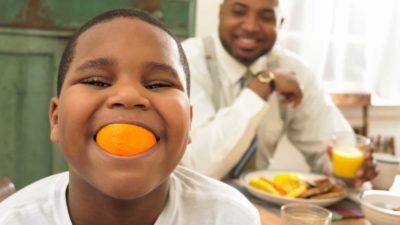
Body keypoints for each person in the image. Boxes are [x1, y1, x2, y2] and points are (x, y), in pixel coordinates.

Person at [0, 9, 261, 225]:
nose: (128, 95)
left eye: (158, 84)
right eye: (96, 81)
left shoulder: (230, 217)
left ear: (189, 122)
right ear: (56, 119)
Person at [181, 0, 377, 186]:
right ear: (221, 13)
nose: (250, 26)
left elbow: (331, 145)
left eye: (265, 17)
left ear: (280, 23)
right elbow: (199, 167)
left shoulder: (293, 70)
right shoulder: (186, 61)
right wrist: (261, 85)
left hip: (260, 207)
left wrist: (352, 171)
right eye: (239, 12)